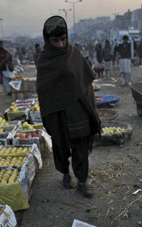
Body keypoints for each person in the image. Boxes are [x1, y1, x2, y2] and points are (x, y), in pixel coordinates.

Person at [36, 15, 102, 198]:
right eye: (55, 40)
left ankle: (82, 182)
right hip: (58, 114)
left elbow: (86, 84)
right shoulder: (45, 61)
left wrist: (92, 110)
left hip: (78, 111)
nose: (60, 44)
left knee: (81, 147)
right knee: (61, 147)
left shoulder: (74, 54)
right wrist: (48, 115)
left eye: (63, 39)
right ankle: (65, 173)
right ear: (47, 40)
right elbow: (44, 91)